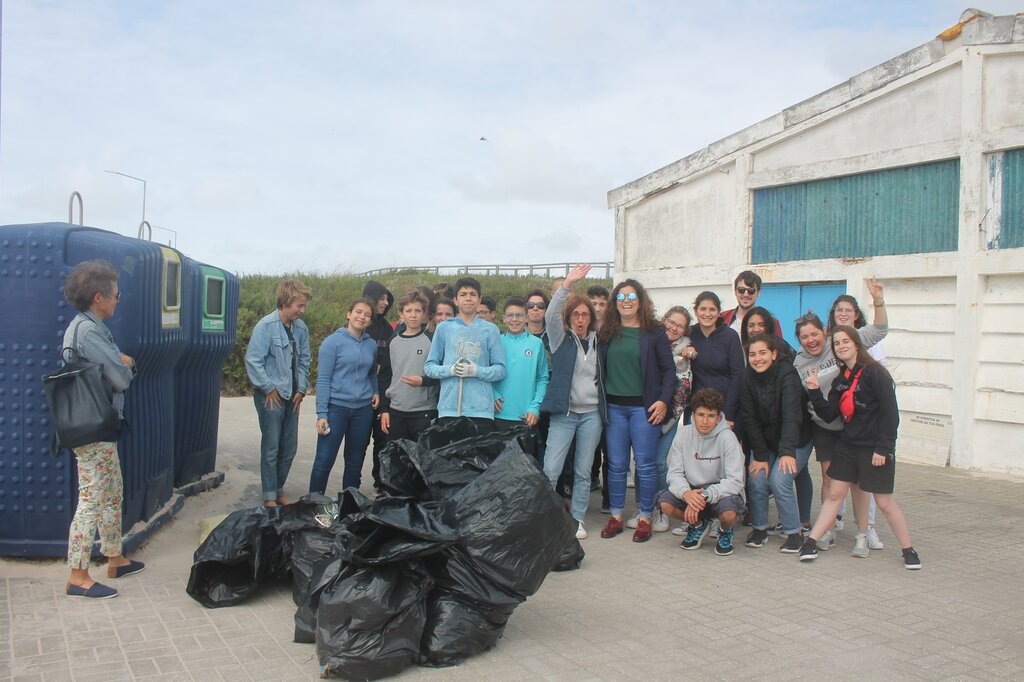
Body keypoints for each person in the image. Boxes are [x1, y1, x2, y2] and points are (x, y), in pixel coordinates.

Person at [799, 327, 921, 570]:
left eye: (846, 341)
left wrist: (883, 449)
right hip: (848, 445)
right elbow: (829, 414)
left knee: (885, 502)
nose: (841, 346)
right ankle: (811, 542)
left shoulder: (876, 373)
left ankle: (908, 550)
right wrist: (813, 391)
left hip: (875, 448)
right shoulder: (841, 377)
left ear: (856, 344)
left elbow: (890, 415)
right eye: (837, 343)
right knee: (834, 494)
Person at [61, 260, 144, 599]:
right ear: (99, 297)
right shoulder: (90, 331)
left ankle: (115, 558)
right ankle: (78, 576)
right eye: (116, 295)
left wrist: (116, 359)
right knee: (92, 498)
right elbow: (120, 379)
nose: (117, 300)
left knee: (111, 491)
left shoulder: (85, 326)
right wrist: (127, 363)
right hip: (93, 425)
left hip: (98, 424)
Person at [793, 279, 888, 549]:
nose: (811, 340)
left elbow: (880, 330)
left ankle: (865, 529)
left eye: (815, 334)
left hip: (852, 423)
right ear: (799, 340)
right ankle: (829, 526)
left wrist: (878, 300)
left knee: (859, 480)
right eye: (804, 337)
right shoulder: (798, 362)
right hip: (824, 425)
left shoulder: (841, 343)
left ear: (824, 332)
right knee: (830, 477)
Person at [598, 279, 675, 543]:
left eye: (631, 296)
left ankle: (645, 516)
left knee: (645, 465)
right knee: (617, 465)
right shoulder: (607, 332)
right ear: (614, 303)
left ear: (640, 300)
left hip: (644, 409)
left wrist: (664, 401)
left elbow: (669, 371)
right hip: (615, 409)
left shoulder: (654, 332)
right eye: (620, 297)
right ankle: (617, 516)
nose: (626, 301)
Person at [541, 264, 606, 540]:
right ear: (569, 317)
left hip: (592, 415)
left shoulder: (600, 341)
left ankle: (577, 519)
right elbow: (549, 316)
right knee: (550, 470)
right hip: (564, 415)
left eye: (585, 314)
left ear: (591, 318)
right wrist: (567, 284)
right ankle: (544, 519)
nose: (580, 319)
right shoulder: (560, 339)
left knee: (582, 472)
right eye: (576, 314)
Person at [740, 334, 814, 553]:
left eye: (763, 353)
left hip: (796, 440)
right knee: (757, 477)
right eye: (752, 354)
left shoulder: (787, 374)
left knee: (780, 479)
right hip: (766, 441)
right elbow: (750, 419)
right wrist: (760, 456)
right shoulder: (747, 377)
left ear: (773, 354)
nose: (757, 358)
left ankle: (794, 533)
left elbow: (792, 416)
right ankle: (760, 529)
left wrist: (787, 452)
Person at [245, 278, 312, 508]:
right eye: (299, 306)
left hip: (292, 396)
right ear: (286, 301)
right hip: (270, 396)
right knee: (271, 446)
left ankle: (279, 488)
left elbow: (304, 360)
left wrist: (302, 389)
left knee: (289, 447)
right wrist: (268, 388)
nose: (302, 310)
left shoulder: (301, 329)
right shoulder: (265, 327)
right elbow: (253, 361)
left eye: (303, 306)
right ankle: (269, 495)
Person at [658, 388, 746, 556]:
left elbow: (735, 481)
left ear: (719, 417)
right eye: (701, 414)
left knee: (729, 515)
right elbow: (675, 473)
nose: (705, 421)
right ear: (693, 415)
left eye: (711, 416)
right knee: (666, 504)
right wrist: (686, 494)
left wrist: (705, 495)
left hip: (720, 492)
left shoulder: (728, 438)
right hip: (692, 489)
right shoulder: (683, 434)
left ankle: (724, 531)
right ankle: (698, 525)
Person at [309, 298, 379, 494]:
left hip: (363, 411)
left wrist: (375, 391)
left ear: (370, 320)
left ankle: (349, 506)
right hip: (336, 409)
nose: (362, 317)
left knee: (355, 461)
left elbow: (371, 372)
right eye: (358, 312)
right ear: (349, 314)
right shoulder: (332, 343)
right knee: (324, 459)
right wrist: (322, 413)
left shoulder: (371, 344)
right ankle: (314, 504)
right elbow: (323, 379)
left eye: (367, 315)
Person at [424, 277, 507, 430]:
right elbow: (429, 367)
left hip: (481, 411)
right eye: (463, 294)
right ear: (455, 300)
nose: (468, 298)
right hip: (449, 408)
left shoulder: (490, 330)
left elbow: (500, 370)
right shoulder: (444, 328)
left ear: (479, 299)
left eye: (472, 294)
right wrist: (450, 369)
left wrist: (477, 371)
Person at [379, 291, 439, 442]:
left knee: (420, 461)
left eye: (418, 310)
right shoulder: (393, 341)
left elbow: (441, 374)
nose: (413, 315)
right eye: (408, 311)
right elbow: (385, 376)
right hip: (396, 411)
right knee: (397, 461)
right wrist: (384, 410)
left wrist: (423, 381)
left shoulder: (432, 340)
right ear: (401, 313)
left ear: (424, 313)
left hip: (424, 412)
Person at [493, 296, 549, 456]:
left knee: (522, 474)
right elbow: (485, 374)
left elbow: (542, 378)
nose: (514, 319)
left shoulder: (536, 344)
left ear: (526, 318)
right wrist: (492, 394)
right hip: (498, 416)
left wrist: (535, 407)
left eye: (519, 315)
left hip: (525, 417)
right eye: (510, 315)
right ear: (503, 319)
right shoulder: (495, 342)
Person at [654, 306, 693, 533]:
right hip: (647, 412)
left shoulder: (686, 351)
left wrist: (680, 356)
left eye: (678, 325)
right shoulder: (652, 340)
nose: (673, 327)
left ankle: (663, 510)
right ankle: (645, 508)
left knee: (660, 462)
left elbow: (682, 391)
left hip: (669, 417)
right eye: (670, 321)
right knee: (645, 463)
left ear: (684, 330)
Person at [689, 291, 744, 428]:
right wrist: (682, 351)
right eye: (702, 309)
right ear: (695, 311)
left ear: (719, 312)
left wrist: (729, 414)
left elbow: (738, 375)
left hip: (724, 409)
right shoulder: (689, 334)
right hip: (697, 411)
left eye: (712, 309)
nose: (707, 314)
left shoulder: (730, 336)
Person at [362, 280, 395, 495]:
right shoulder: (360, 323)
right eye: (381, 299)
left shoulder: (387, 328)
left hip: (383, 392)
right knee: (359, 442)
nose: (385, 303)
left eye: (386, 300)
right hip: (360, 394)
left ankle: (380, 483)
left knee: (382, 441)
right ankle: (351, 483)